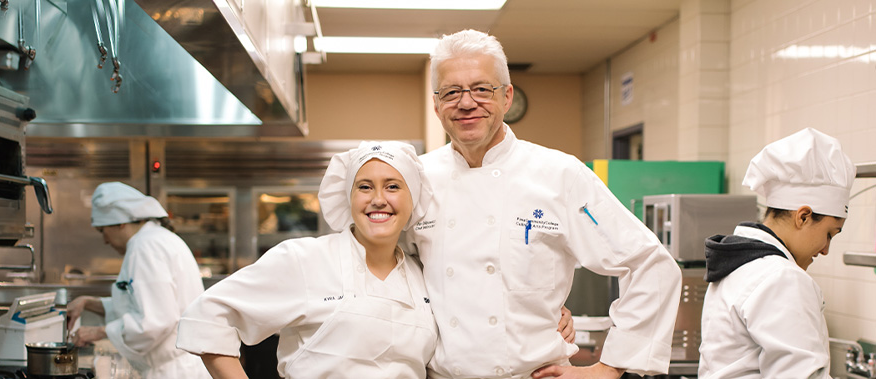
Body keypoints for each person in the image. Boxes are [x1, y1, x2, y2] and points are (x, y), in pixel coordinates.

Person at [406, 29, 682, 378]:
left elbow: (650, 264)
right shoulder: (416, 179)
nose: (466, 102)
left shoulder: (559, 175)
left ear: (506, 97)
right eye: (451, 92)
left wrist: (609, 368)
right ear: (436, 104)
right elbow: (389, 273)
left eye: (481, 89)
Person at [176, 141, 440, 378]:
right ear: (349, 198)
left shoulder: (421, 275)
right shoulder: (305, 259)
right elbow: (207, 316)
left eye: (393, 186)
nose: (378, 199)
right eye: (365, 187)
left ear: (413, 197)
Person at [698, 128, 855, 379]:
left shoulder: (740, 263)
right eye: (829, 234)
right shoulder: (781, 278)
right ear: (803, 216)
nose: (826, 250)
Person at [65, 182, 209, 379]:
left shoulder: (145, 247)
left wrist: (98, 331)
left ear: (120, 222)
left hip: (172, 372)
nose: (105, 240)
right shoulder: (158, 239)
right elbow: (144, 305)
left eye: (102, 231)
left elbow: (156, 320)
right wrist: (88, 303)